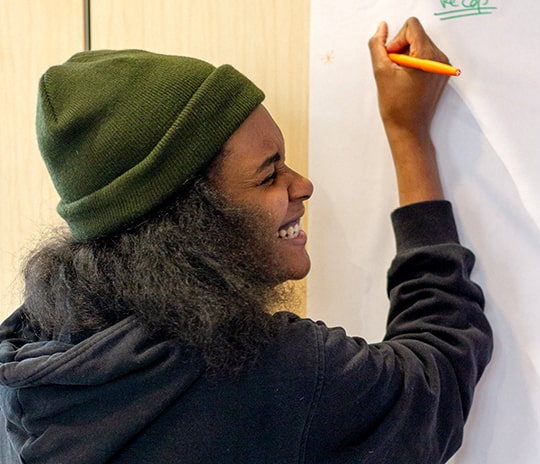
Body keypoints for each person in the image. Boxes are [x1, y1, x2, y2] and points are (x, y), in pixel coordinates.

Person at [0, 17, 492, 464]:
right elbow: (436, 379)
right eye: (267, 174)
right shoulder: (260, 374)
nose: (302, 184)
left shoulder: (25, 369)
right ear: (190, 224)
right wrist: (409, 135)